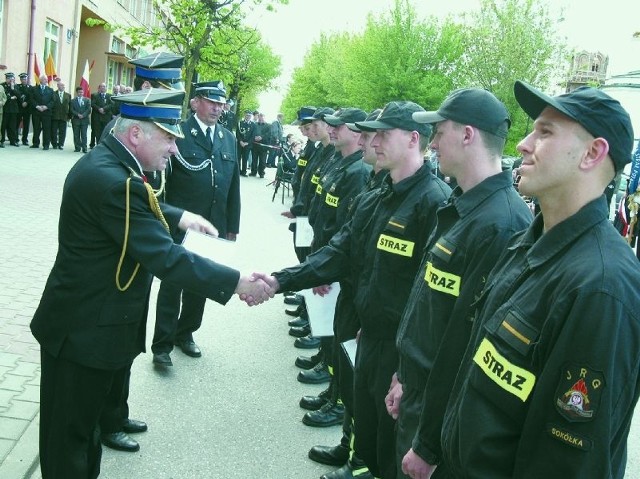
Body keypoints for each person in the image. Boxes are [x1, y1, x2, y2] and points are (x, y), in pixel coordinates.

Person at [30, 88, 272, 479]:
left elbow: (138, 205)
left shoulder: (109, 163)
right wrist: (238, 282)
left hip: (85, 325)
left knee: (81, 433)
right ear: (137, 134)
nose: (176, 150)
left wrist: (178, 216)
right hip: (84, 333)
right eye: (169, 138)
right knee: (70, 442)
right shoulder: (116, 181)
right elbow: (165, 257)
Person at [437, 82, 640, 478]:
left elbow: (567, 463)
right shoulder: (526, 245)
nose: (523, 145)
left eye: (545, 132)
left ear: (592, 153)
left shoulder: (602, 286)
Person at [255, 101, 451, 479]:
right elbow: (340, 251)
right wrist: (279, 280)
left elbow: (429, 297)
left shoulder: (435, 202)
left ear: (414, 139)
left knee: (392, 448)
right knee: (368, 429)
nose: (371, 140)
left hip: (399, 349)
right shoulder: (379, 194)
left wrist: (408, 363)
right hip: (369, 333)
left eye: (382, 133)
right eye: (370, 132)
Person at [384, 88, 532, 479]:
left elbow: (464, 345)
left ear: (468, 135)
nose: (432, 144)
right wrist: (404, 376)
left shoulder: (502, 223)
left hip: (440, 410)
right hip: (418, 393)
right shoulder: (462, 206)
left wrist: (430, 441)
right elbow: (430, 306)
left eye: (440, 132)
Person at [152, 80, 241, 367]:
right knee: (172, 283)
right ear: (195, 103)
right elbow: (163, 184)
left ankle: (185, 333)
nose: (218, 108)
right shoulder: (178, 133)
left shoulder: (227, 137)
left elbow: (233, 186)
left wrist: (231, 225)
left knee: (201, 282)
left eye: (221, 103)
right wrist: (163, 220)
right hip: (181, 224)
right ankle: (162, 345)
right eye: (211, 101)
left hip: (212, 225)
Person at [30, 74, 54, 150]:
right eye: (44, 79)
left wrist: (46, 107)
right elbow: (31, 99)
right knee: (36, 128)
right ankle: (35, 143)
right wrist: (37, 106)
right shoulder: (34, 89)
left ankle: (46, 144)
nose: (46, 80)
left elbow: (53, 101)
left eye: (46, 79)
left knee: (46, 129)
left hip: (46, 113)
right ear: (40, 80)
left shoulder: (50, 90)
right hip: (36, 112)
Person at [51, 80, 71, 150]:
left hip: (64, 116)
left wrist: (69, 116)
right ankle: (54, 144)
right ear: (58, 86)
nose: (63, 86)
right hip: (55, 116)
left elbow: (70, 106)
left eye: (63, 85)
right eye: (61, 85)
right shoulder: (53, 94)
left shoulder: (68, 95)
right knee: (54, 131)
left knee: (62, 131)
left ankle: (61, 144)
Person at [250, 112, 271, 178]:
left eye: (262, 116)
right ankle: (253, 172)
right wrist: (254, 137)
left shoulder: (268, 125)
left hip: (263, 146)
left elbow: (269, 134)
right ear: (258, 117)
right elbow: (251, 132)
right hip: (255, 145)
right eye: (260, 116)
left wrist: (261, 137)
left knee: (262, 161)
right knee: (254, 160)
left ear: (264, 117)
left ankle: (261, 173)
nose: (261, 118)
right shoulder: (254, 124)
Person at [1, 72, 20, 147]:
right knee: (3, 125)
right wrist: (10, 98)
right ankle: (1, 140)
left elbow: (19, 96)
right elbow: (3, 96)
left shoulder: (15, 86)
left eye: (12, 79)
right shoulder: (2, 85)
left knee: (12, 126)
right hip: (5, 109)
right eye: (9, 78)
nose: (11, 80)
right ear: (6, 79)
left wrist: (12, 88)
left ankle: (13, 140)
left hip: (14, 109)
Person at [90, 82, 112, 147]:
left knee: (105, 131)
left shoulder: (110, 96)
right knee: (97, 131)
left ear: (106, 88)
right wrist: (99, 109)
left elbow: (111, 104)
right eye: (101, 86)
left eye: (104, 86)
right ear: (99, 88)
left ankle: (104, 145)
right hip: (97, 117)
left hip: (106, 117)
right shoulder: (95, 95)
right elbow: (92, 104)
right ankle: (98, 145)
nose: (102, 88)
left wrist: (104, 109)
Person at [70, 86, 91, 153]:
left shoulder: (87, 100)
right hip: (76, 120)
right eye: (79, 92)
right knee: (76, 134)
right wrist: (77, 114)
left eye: (82, 92)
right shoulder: (73, 101)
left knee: (84, 134)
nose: (81, 93)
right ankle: (77, 147)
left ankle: (84, 148)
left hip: (84, 120)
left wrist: (83, 115)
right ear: (77, 93)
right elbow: (71, 110)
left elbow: (89, 110)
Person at [237, 110, 255, 176]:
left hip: (248, 145)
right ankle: (238, 171)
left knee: (245, 158)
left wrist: (247, 143)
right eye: (247, 115)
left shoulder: (253, 125)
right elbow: (238, 133)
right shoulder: (240, 123)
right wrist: (241, 141)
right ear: (244, 115)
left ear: (251, 117)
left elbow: (253, 136)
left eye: (249, 116)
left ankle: (244, 172)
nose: (248, 117)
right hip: (240, 144)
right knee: (238, 158)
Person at [17, 73, 32, 145]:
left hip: (27, 109)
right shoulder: (17, 86)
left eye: (25, 79)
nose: (24, 80)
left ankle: (24, 139)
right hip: (19, 108)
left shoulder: (30, 88)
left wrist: (27, 102)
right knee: (16, 123)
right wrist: (22, 102)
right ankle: (15, 138)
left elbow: (31, 97)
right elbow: (17, 95)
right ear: (20, 80)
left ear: (27, 79)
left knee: (26, 125)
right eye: (22, 79)